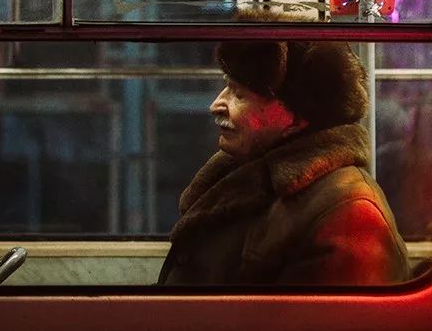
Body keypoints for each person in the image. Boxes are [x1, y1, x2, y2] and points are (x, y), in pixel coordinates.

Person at [158, 24, 409, 285]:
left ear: (298, 116)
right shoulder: (242, 174)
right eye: (227, 87)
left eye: (240, 95)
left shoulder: (350, 213)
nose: (216, 105)